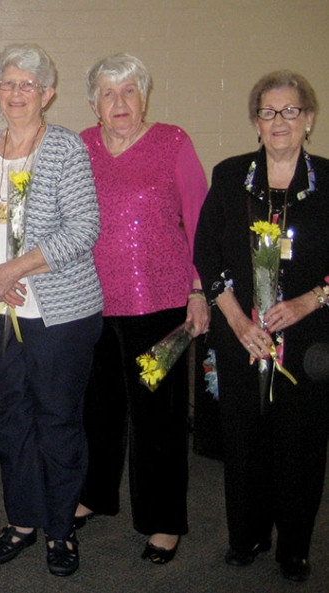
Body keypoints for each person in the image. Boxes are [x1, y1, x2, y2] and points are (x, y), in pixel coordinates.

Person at [0, 43, 103, 577]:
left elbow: (83, 229)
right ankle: (21, 520)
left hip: (59, 312)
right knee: (10, 419)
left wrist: (13, 270)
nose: (16, 94)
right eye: (7, 84)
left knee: (58, 419)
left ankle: (61, 530)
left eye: (27, 85)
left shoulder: (65, 149)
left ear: (47, 93)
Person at [193, 70, 329, 584]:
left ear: (308, 119)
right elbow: (208, 253)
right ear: (255, 121)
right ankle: (246, 536)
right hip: (241, 335)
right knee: (244, 439)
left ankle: (293, 546)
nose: (280, 121)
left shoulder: (328, 182)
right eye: (269, 112)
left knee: (301, 444)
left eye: (291, 111)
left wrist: (307, 302)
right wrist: (233, 318)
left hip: (309, 341)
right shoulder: (230, 176)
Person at [74, 53, 210, 564]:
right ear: (94, 103)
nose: (119, 102)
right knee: (98, 408)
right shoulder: (81, 147)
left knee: (160, 417)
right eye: (108, 93)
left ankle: (164, 520)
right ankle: (94, 494)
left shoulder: (173, 142)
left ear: (144, 96)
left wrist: (199, 290)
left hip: (161, 306)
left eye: (128, 91)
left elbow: (198, 219)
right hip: (93, 305)